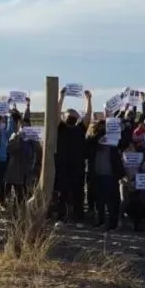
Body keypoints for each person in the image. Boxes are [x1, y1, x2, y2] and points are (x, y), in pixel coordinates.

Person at [54, 88, 93, 222]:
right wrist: (61, 97)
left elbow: (88, 116)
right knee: (62, 194)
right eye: (69, 115)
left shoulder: (80, 129)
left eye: (73, 115)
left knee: (78, 194)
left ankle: (78, 217)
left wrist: (88, 100)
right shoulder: (60, 128)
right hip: (63, 166)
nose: (71, 116)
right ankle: (61, 217)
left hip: (77, 167)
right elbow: (55, 114)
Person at [85, 118, 125, 231]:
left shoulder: (112, 141)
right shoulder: (92, 141)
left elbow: (124, 142)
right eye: (100, 128)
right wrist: (98, 137)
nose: (103, 130)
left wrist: (121, 129)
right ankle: (100, 221)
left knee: (112, 201)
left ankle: (112, 223)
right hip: (97, 175)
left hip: (110, 176)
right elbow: (87, 150)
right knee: (99, 201)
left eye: (105, 128)